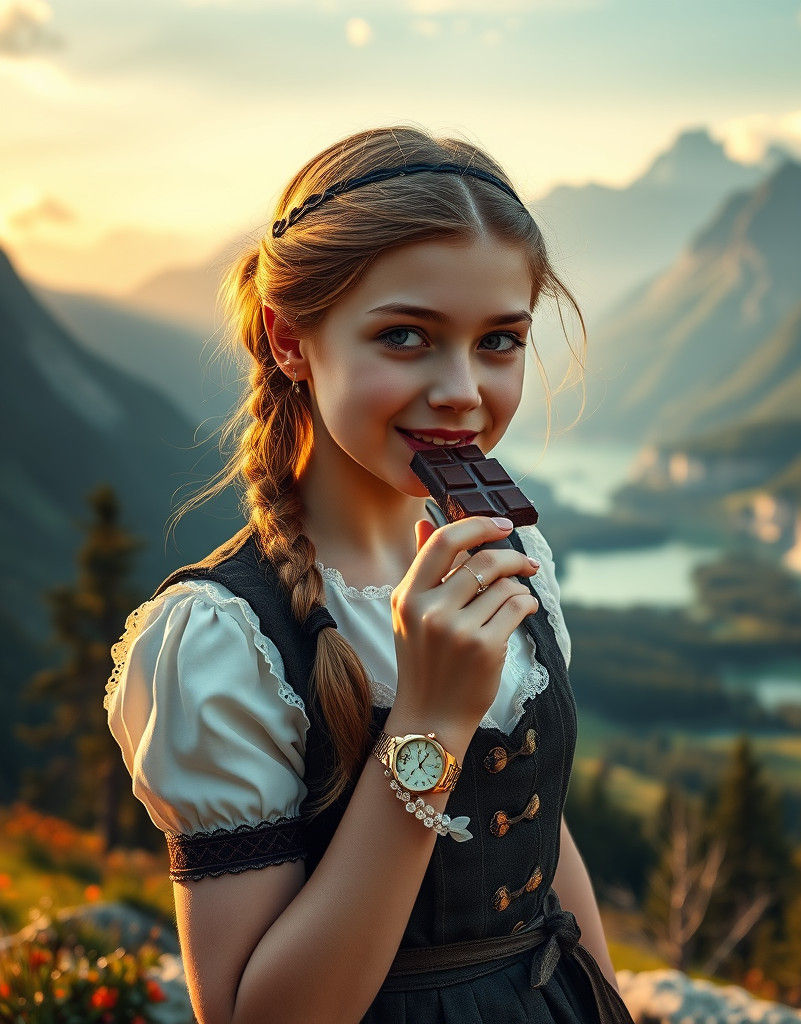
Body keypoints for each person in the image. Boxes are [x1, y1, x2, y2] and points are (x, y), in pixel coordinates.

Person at [104, 124, 634, 1024]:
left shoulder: (508, 557)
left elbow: (542, 836)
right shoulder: (226, 643)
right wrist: (429, 720)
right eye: (405, 336)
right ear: (288, 339)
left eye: (500, 341)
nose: (463, 388)